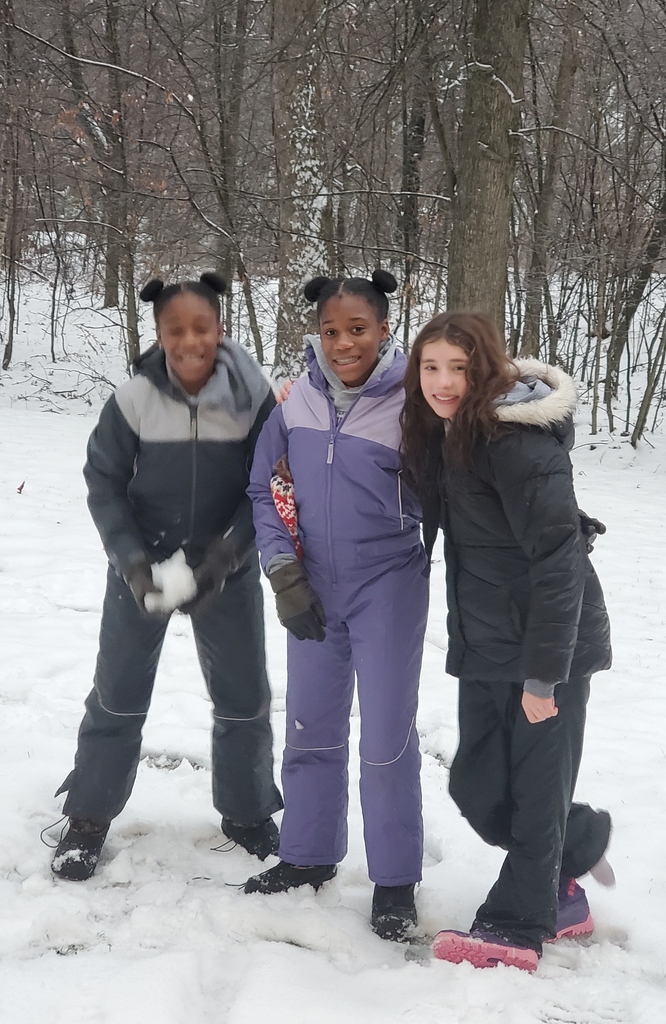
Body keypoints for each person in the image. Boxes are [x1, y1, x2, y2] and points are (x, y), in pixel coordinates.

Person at [51, 272, 283, 881]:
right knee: (118, 693)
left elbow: (268, 485)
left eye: (200, 328)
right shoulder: (132, 400)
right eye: (174, 330)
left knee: (244, 697)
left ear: (220, 328)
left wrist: (227, 555)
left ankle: (249, 810)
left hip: (225, 568)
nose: (188, 341)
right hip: (143, 567)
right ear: (158, 332)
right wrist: (132, 563)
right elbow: (103, 479)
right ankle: (88, 817)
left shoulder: (252, 397)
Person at [399, 311, 612, 972]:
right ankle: (571, 850)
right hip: (487, 643)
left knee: (534, 792)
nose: (442, 381)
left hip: (550, 650)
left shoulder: (517, 444)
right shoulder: (447, 436)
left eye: (458, 369)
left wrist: (545, 677)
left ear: (485, 369)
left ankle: (519, 924)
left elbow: (558, 562)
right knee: (479, 788)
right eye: (430, 367)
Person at [245, 271, 429, 942]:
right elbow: (263, 485)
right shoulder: (293, 402)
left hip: (389, 582)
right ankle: (308, 854)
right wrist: (281, 569)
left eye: (358, 329)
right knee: (311, 725)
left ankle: (395, 881)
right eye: (330, 330)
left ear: (384, 329)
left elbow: (469, 478)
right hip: (312, 583)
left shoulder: (414, 403)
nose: (343, 343)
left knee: (385, 739)